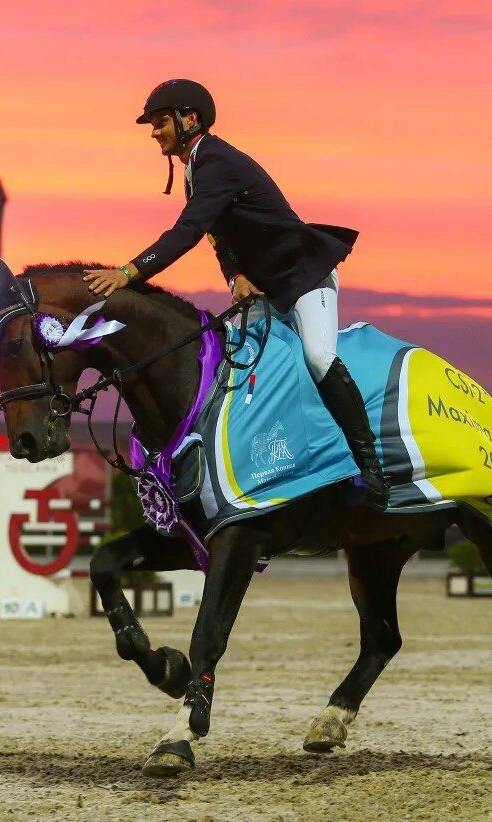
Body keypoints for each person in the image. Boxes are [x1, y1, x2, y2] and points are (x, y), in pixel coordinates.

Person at [84, 79, 388, 509]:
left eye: (160, 122)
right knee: (240, 368)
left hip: (306, 280)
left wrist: (128, 272)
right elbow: (216, 236)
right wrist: (234, 278)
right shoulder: (197, 167)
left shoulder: (216, 162)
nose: (154, 132)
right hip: (268, 291)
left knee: (319, 358)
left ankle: (372, 471)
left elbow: (187, 232)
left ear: (190, 119)